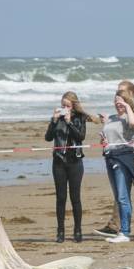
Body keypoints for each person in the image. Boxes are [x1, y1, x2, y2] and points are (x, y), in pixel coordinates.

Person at [94, 82, 134, 237]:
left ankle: (124, 226)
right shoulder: (121, 113)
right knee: (132, 190)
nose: (119, 94)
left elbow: (132, 124)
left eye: (122, 91)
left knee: (133, 190)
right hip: (124, 154)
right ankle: (119, 225)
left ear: (129, 93)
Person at [44, 91, 93, 243]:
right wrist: (53, 120)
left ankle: (78, 230)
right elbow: (48, 137)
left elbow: (80, 136)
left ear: (73, 106)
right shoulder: (57, 119)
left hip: (75, 161)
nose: (64, 108)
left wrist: (69, 121)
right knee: (60, 197)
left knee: (75, 197)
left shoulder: (80, 118)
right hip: (59, 161)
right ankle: (60, 231)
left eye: (67, 105)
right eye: (62, 105)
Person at [98, 89, 134, 243]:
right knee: (118, 196)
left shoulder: (130, 117)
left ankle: (125, 231)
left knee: (123, 196)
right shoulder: (111, 118)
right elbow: (107, 135)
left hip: (123, 157)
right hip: (109, 157)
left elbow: (133, 123)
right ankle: (123, 231)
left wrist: (127, 106)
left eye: (121, 101)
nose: (118, 104)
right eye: (116, 101)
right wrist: (103, 140)